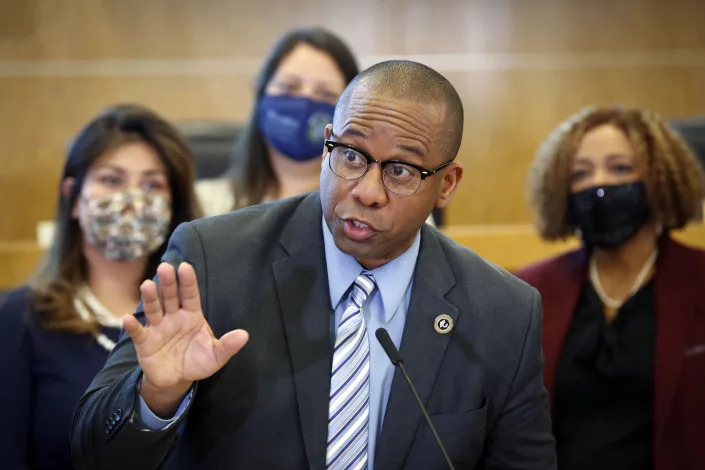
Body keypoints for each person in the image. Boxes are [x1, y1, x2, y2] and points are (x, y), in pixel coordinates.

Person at [71, 61, 556, 470]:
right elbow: (94, 454)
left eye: (401, 170)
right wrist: (157, 397)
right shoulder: (212, 259)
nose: (366, 190)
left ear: (447, 183)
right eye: (350, 155)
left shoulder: (504, 312)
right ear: (328, 143)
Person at [0, 104, 202, 470]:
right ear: (73, 197)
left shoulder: (200, 319)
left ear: (173, 206)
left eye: (152, 184)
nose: (131, 199)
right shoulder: (19, 319)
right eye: (112, 180)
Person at [515, 107, 705, 470]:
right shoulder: (531, 291)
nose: (598, 185)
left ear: (661, 178)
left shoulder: (699, 279)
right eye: (580, 174)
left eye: (620, 168)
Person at [195, 27, 359, 216]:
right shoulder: (203, 205)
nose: (304, 102)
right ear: (261, 95)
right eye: (289, 87)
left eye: (325, 93)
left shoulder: (357, 213)